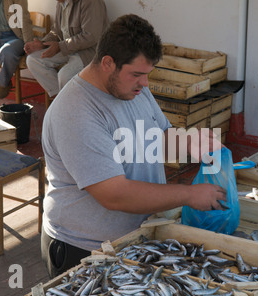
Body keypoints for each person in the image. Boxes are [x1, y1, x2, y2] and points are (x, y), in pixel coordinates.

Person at [40, 14, 225, 278]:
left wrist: (187, 141)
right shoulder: (76, 112)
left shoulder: (132, 88)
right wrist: (188, 194)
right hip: (85, 250)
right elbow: (114, 194)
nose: (145, 84)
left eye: (147, 74)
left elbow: (158, 136)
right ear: (107, 63)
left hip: (133, 240)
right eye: (137, 74)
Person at [25, 0, 109, 99]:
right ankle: (61, 100)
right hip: (68, 48)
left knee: (64, 75)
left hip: (89, 52)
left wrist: (61, 46)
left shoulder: (90, 2)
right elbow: (56, 31)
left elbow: (91, 36)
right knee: (33, 60)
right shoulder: (61, 2)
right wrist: (43, 44)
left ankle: (70, 105)